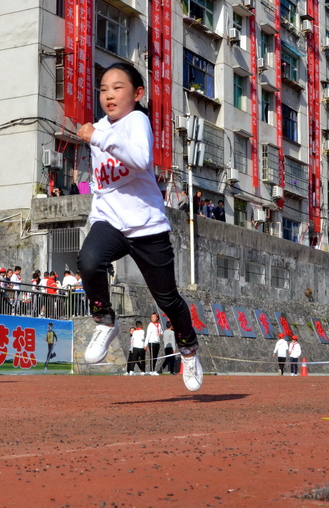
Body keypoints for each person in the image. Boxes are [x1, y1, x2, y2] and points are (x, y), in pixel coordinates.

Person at [76, 62, 202, 391]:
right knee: (88, 261)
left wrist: (99, 136)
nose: (109, 95)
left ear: (137, 93)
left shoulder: (137, 121)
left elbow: (141, 159)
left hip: (146, 226)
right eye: (103, 89)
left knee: (168, 300)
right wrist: (95, 219)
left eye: (118, 87)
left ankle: (188, 349)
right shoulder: (99, 130)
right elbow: (102, 185)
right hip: (110, 222)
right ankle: (105, 321)